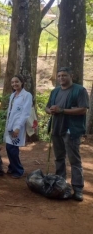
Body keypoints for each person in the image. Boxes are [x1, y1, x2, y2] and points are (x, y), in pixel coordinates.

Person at [45, 67, 89, 201]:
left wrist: (62, 110)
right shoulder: (55, 91)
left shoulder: (79, 90)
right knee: (59, 158)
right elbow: (47, 107)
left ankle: (78, 189)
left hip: (71, 129)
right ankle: (60, 184)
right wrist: (50, 110)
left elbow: (83, 110)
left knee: (74, 160)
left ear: (71, 76)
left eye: (64, 75)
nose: (61, 78)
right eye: (59, 76)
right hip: (56, 128)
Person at [4, 74, 32, 179]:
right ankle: (12, 166)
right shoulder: (13, 95)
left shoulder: (27, 95)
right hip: (10, 124)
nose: (14, 84)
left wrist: (18, 127)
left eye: (17, 82)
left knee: (13, 148)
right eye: (12, 82)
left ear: (22, 82)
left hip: (17, 125)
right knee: (9, 147)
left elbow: (25, 113)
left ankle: (18, 170)